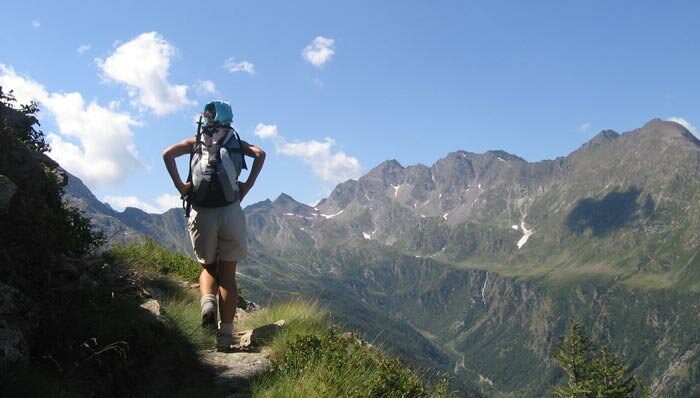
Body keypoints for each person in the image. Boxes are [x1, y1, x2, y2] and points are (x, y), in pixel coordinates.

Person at [162, 101, 265, 351]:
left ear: (205, 120)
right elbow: (260, 153)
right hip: (230, 212)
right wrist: (248, 185)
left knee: (208, 268)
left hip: (201, 212)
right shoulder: (235, 143)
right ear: (228, 119)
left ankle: (208, 304)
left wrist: (180, 186)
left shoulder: (194, 142)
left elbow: (167, 154)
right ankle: (226, 337)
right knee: (228, 277)